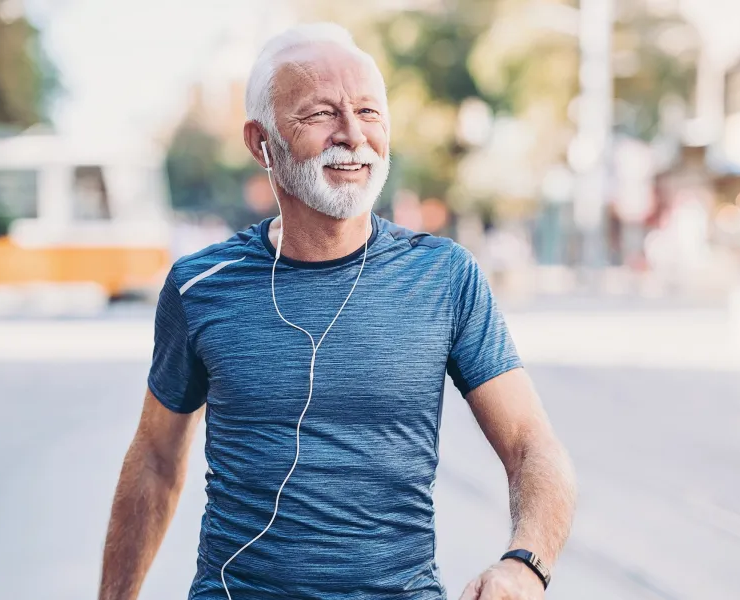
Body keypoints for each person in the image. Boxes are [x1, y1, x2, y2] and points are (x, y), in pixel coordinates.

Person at [98, 23, 576, 600]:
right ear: (261, 142)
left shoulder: (446, 278)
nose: (353, 136)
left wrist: (526, 564)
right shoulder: (201, 286)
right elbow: (154, 458)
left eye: (370, 112)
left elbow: (531, 443)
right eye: (320, 114)